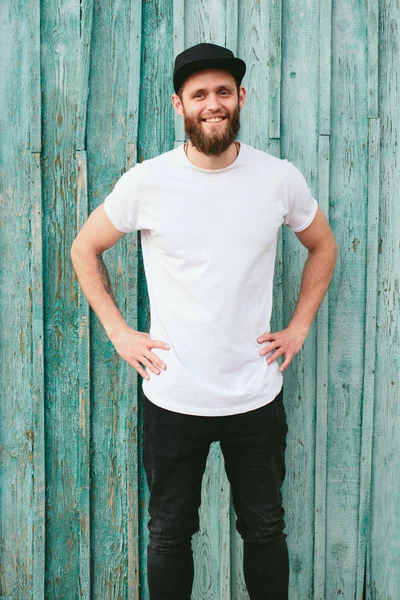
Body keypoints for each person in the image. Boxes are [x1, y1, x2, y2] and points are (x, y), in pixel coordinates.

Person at [71, 42, 337, 600]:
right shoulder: (147, 182)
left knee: (264, 528)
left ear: (240, 98)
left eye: (222, 91)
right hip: (174, 396)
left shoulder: (278, 178)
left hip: (254, 395)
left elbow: (322, 246)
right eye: (199, 95)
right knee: (169, 534)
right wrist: (119, 332)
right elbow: (84, 249)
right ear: (179, 105)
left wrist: (300, 326)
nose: (212, 103)